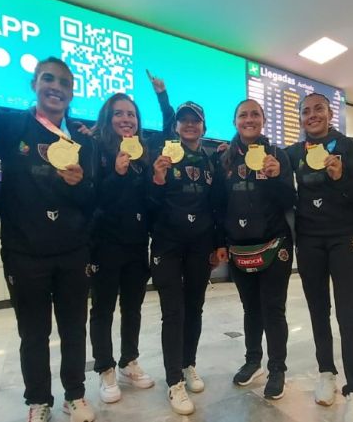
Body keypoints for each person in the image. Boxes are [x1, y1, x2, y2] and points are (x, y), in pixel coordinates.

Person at [0, 57, 97, 422]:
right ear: (34, 85)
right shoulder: (12, 128)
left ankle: (75, 394)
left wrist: (81, 184)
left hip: (72, 251)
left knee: (74, 328)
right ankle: (38, 400)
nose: (56, 87)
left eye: (64, 83)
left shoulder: (81, 139)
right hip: (25, 251)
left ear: (72, 93)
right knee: (34, 333)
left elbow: (92, 200)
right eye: (48, 79)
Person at [286, 93, 353, 422]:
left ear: (330, 115)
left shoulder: (349, 145)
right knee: (318, 312)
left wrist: (343, 177)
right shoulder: (293, 153)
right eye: (306, 111)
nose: (312, 115)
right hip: (309, 242)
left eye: (318, 110)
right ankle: (326, 373)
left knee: (348, 315)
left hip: (345, 239)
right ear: (300, 118)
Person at [148, 100, 227, 415]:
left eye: (195, 120)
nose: (190, 125)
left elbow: (218, 206)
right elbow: (148, 203)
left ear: (203, 127)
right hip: (167, 245)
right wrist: (156, 179)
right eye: (184, 120)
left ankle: (188, 364)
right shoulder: (163, 157)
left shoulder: (210, 162)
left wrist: (218, 243)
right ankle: (173, 381)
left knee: (195, 306)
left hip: (200, 245)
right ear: (176, 126)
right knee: (173, 311)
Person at [215, 99, 296, 399]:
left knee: (273, 309)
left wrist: (276, 178)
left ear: (262, 120)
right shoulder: (224, 158)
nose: (249, 119)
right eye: (243, 115)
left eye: (255, 114)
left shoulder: (278, 155)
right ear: (235, 121)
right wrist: (221, 243)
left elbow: (290, 200)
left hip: (275, 244)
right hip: (238, 248)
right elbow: (218, 206)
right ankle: (253, 360)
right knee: (251, 309)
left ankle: (277, 368)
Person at [88, 93, 155, 404]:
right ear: (107, 118)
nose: (126, 119)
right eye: (119, 114)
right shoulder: (94, 148)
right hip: (104, 244)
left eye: (132, 114)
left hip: (136, 244)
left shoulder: (142, 154)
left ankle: (129, 361)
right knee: (102, 309)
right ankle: (105, 368)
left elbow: (148, 201)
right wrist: (116, 173)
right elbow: (94, 199)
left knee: (133, 307)